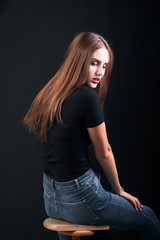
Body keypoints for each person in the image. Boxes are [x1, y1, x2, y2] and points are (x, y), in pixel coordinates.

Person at [22, 32, 160, 240]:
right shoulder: (87, 96)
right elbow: (103, 152)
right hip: (80, 199)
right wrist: (119, 190)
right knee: (149, 218)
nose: (100, 72)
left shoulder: (51, 93)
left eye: (104, 66)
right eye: (94, 63)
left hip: (51, 200)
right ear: (78, 60)